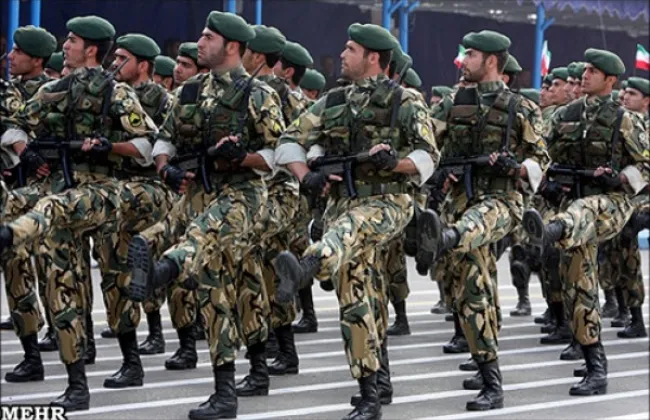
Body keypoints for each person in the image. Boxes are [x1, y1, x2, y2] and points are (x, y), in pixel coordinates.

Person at [273, 22, 438, 419]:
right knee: (357, 298)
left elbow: (428, 156)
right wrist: (306, 175)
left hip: (387, 202)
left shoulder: (404, 99)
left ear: (372, 57)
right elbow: (288, 140)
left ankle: (308, 266)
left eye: (350, 49)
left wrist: (395, 163)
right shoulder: (333, 101)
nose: (342, 55)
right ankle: (374, 386)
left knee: (349, 232)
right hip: (341, 204)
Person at [127, 11, 286, 419]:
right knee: (245, 284)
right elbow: (163, 139)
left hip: (242, 196)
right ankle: (255, 372)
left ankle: (163, 272)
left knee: (208, 265)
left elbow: (277, 155)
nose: (199, 42)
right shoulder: (189, 91)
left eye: (208, 37)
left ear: (232, 46)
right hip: (197, 193)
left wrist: (243, 157)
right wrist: (166, 167)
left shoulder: (258, 94)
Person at [416, 30, 549, 410]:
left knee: (474, 283)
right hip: (459, 202)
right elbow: (425, 141)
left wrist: (517, 168)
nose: (464, 61)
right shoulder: (452, 103)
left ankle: (492, 383)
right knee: (473, 287)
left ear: (491, 61)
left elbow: (541, 159)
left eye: (471, 54)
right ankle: (483, 360)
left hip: (500, 201)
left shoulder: (520, 108)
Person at [523, 48, 648, 396]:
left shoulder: (625, 120)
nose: (585, 75)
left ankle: (552, 229)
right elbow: (541, 156)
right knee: (579, 285)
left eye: (593, 71)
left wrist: (620, 178)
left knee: (585, 210)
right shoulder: (566, 114)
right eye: (585, 70)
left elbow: (645, 166)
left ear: (610, 80)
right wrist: (544, 183)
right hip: (572, 207)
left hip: (611, 203)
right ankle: (595, 366)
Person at [0, 24, 59, 383]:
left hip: (44, 193)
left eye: (19, 51)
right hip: (14, 194)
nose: (11, 56)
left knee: (52, 272)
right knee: (17, 271)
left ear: (36, 59)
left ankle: (67, 341)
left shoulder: (53, 92)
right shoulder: (10, 91)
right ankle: (31, 354)